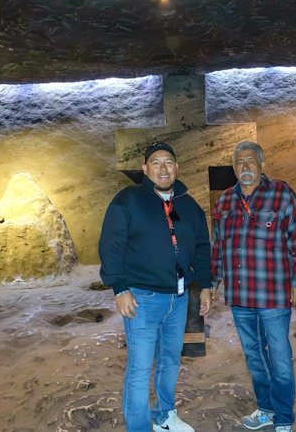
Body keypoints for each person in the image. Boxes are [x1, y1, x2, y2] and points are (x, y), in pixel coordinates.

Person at [98, 142, 213, 432]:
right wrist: (119, 288)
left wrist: (207, 285)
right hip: (142, 299)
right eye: (157, 163)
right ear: (145, 169)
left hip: (178, 299)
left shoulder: (188, 204)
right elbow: (111, 245)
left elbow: (201, 247)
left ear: (177, 167)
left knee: (171, 362)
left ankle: (164, 416)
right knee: (139, 369)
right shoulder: (128, 200)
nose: (164, 168)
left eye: (169, 162)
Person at [210, 141, 296, 432]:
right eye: (239, 162)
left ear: (261, 165)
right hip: (240, 297)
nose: (245, 167)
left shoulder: (281, 193)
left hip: (274, 296)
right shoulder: (224, 202)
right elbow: (218, 246)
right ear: (234, 168)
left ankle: (283, 419)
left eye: (251, 161)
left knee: (280, 359)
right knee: (255, 358)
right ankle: (265, 409)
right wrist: (213, 281)